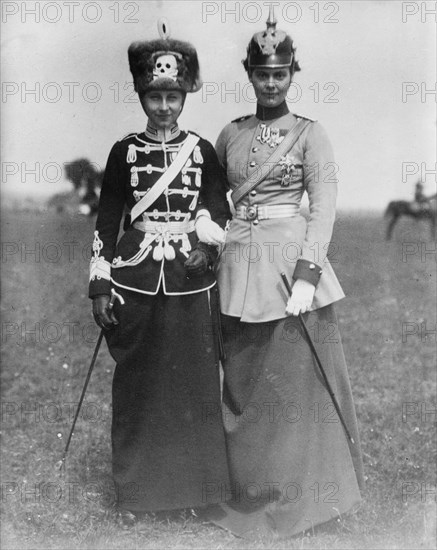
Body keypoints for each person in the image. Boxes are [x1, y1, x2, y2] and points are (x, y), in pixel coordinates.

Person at [206, 9, 365, 539]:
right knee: (245, 386)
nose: (271, 82)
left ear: (294, 74)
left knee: (296, 392)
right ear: (248, 73)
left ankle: (306, 500)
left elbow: (322, 207)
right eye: (261, 73)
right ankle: (249, 491)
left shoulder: (311, 134)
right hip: (238, 265)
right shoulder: (229, 133)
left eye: (281, 73)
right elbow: (212, 202)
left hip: (291, 268)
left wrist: (306, 274)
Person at [89, 20, 231, 522]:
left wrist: (207, 250)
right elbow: (108, 220)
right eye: (154, 96)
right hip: (135, 275)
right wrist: (99, 284)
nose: (164, 106)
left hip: (191, 279)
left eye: (173, 95)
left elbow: (219, 208)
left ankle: (199, 491)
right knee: (139, 382)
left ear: (185, 93)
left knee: (193, 383)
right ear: (141, 94)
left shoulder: (202, 151)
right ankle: (138, 493)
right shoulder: (124, 151)